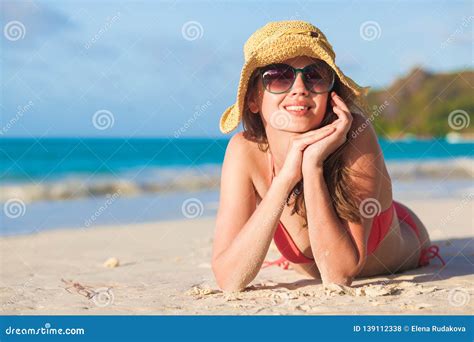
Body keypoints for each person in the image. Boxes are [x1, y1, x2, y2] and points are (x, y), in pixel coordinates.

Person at [212, 20, 444, 292]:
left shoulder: (355, 135)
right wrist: (286, 178)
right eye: (278, 76)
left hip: (401, 233)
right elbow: (229, 279)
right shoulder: (245, 150)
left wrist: (312, 166)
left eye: (314, 75)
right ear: (253, 98)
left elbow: (338, 275)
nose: (299, 87)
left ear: (331, 94)